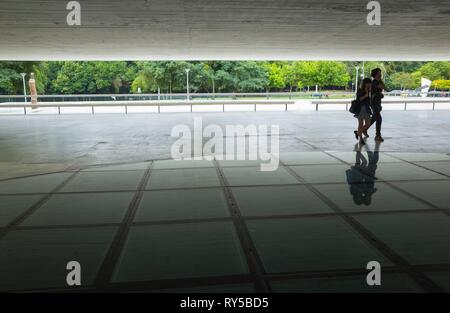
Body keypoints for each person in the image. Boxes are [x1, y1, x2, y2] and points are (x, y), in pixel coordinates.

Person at [352, 78, 372, 145]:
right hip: (361, 108)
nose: (369, 84)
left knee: (368, 123)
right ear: (365, 83)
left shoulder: (369, 90)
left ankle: (357, 132)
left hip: (367, 108)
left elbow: (369, 100)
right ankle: (361, 139)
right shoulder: (360, 90)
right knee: (360, 124)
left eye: (370, 83)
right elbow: (359, 99)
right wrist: (365, 96)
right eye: (368, 83)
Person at [368, 68, 386, 142]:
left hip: (378, 103)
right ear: (375, 74)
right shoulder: (374, 82)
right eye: (379, 73)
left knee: (374, 118)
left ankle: (363, 129)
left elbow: (387, 89)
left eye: (380, 73)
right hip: (374, 103)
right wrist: (380, 94)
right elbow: (373, 93)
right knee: (379, 118)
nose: (380, 74)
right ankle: (377, 135)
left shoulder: (379, 82)